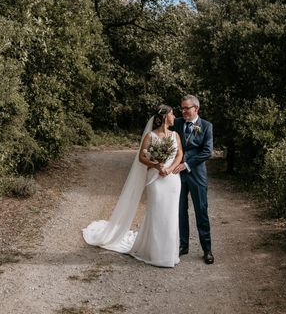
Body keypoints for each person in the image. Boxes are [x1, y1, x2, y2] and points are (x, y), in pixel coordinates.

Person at [82, 105, 183, 267]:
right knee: (157, 213)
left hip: (172, 180)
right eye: (172, 114)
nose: (174, 117)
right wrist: (157, 166)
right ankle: (155, 253)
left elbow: (179, 154)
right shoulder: (150, 136)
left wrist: (170, 169)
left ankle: (169, 254)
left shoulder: (175, 135)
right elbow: (142, 158)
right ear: (165, 117)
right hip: (155, 179)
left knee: (171, 215)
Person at [171, 94, 214, 264]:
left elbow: (207, 152)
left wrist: (187, 164)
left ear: (196, 108)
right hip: (177, 175)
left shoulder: (206, 126)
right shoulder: (177, 123)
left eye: (186, 108)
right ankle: (183, 245)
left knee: (201, 211)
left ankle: (207, 249)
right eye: (181, 108)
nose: (183, 111)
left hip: (197, 175)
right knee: (180, 210)